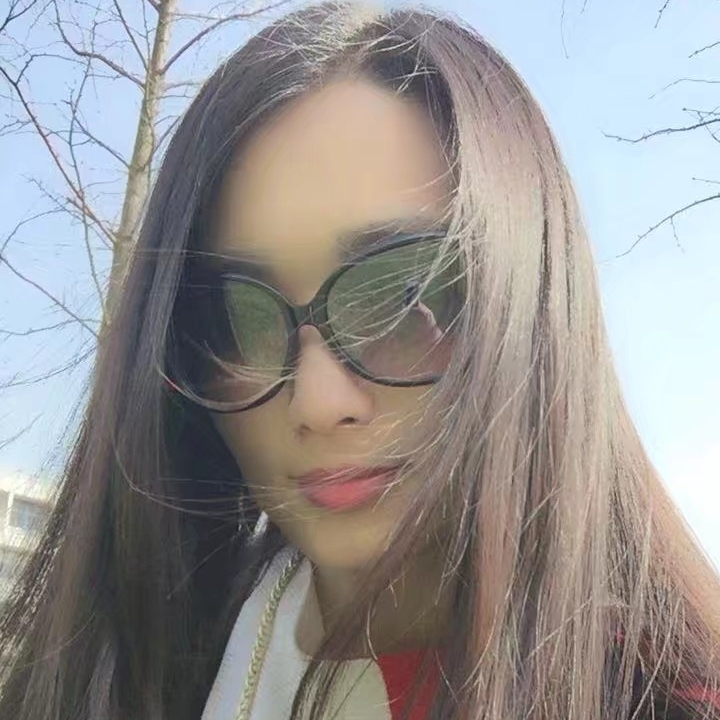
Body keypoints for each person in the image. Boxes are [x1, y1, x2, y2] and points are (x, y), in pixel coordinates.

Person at [1, 2, 719, 719]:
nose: (318, 401)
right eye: (238, 318)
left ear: (533, 311)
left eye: (403, 299)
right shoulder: (126, 667)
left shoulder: (667, 696)